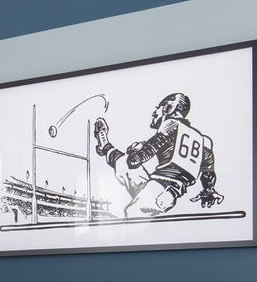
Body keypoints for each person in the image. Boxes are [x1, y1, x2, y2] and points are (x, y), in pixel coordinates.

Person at [90, 92, 223, 218]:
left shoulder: (171, 124)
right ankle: (105, 146)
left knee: (133, 212)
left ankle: (106, 148)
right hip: (158, 185)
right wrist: (209, 191)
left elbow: (135, 160)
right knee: (124, 164)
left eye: (157, 109)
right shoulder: (204, 141)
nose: (154, 113)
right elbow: (208, 174)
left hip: (162, 190)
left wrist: (135, 151)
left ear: (168, 108)